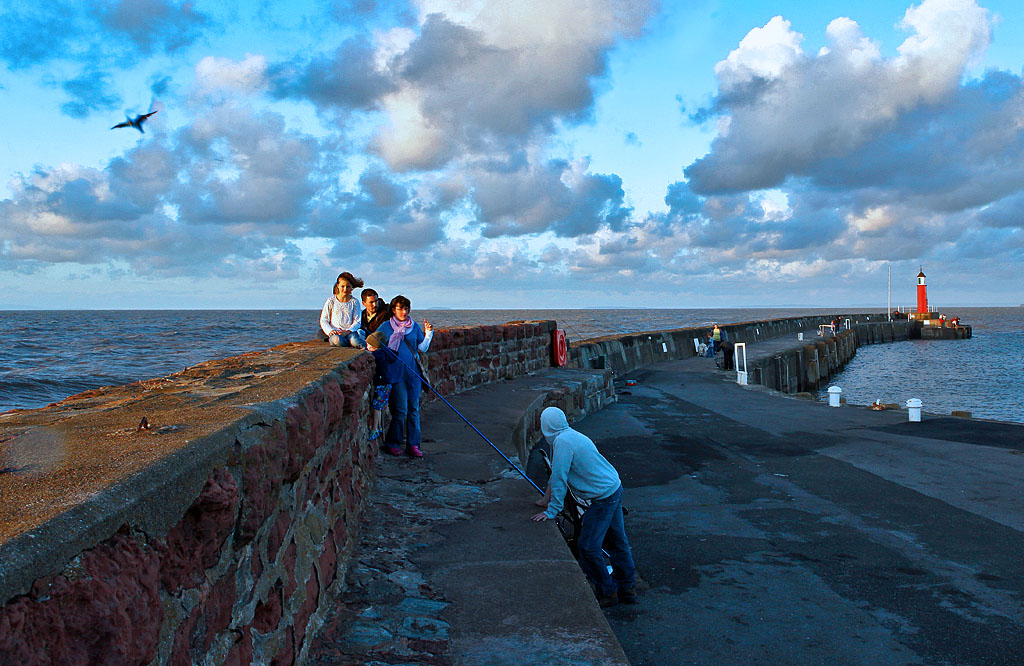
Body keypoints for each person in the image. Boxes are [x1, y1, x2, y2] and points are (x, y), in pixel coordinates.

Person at [531, 407, 637, 608]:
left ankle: (608, 592)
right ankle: (627, 588)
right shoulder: (567, 436)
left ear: (546, 425)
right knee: (617, 542)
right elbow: (556, 475)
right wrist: (546, 500)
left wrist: (551, 511)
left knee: (588, 546)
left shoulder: (562, 442)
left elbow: (560, 479)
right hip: (613, 487)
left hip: (603, 497)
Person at [376, 295, 433, 457]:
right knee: (400, 410)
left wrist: (429, 333)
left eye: (406, 308)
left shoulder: (414, 326)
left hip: (413, 374)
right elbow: (373, 344)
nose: (404, 311)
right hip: (396, 374)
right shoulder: (386, 327)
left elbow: (422, 348)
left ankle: (413, 445)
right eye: (400, 308)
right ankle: (393, 442)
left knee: (414, 409)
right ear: (394, 310)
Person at [365, 331, 401, 441]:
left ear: (375, 346)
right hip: (387, 384)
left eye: (369, 345)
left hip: (381, 384)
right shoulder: (387, 352)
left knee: (377, 407)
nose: (367, 347)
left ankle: (375, 428)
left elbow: (374, 357)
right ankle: (380, 426)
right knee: (381, 406)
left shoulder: (378, 355)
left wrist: (367, 353)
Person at [320, 272, 365, 348]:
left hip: (350, 332)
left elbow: (357, 321)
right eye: (342, 286)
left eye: (348, 286)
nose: (345, 289)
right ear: (338, 286)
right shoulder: (331, 301)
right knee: (337, 340)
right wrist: (330, 331)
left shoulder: (354, 302)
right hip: (335, 333)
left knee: (355, 341)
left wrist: (348, 331)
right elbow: (324, 320)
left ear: (352, 288)